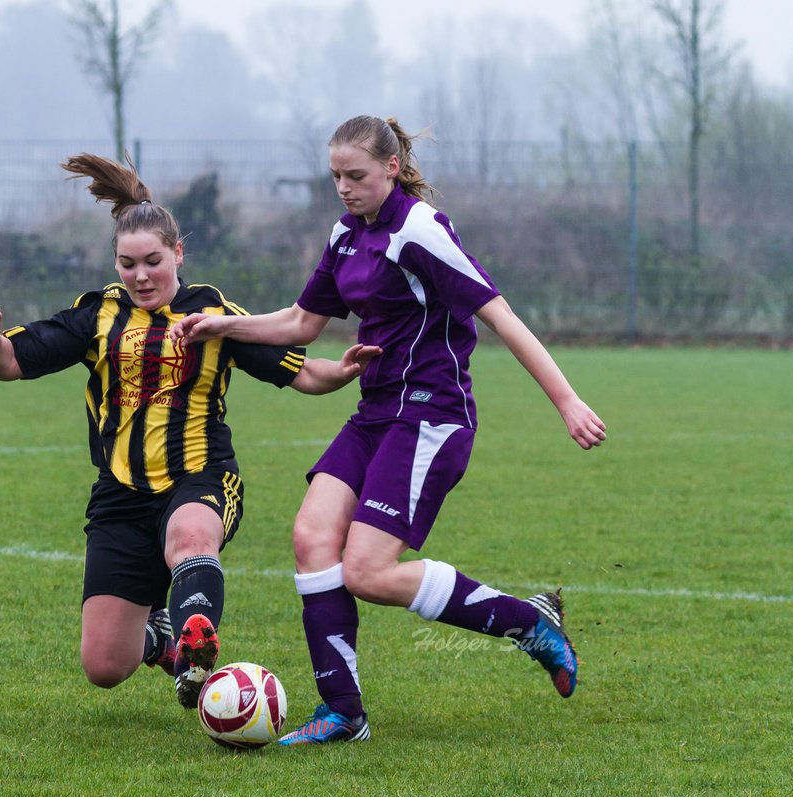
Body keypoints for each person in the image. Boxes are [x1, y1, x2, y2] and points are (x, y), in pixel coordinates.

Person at [171, 115, 607, 745]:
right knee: (310, 537)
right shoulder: (346, 235)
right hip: (376, 412)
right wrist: (221, 324)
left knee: (368, 572)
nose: (344, 189)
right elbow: (299, 323)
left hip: (431, 415)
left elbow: (500, 316)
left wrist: (566, 400)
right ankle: (343, 713)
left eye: (356, 176)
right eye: (335, 177)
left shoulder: (420, 230)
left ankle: (527, 622)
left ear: (392, 170)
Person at [0, 152, 381, 709]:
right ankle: (160, 635)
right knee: (104, 667)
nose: (140, 275)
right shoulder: (97, 316)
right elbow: (9, 363)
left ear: (177, 253)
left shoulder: (212, 314)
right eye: (127, 264)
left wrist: (343, 371)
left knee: (190, 540)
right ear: (115, 264)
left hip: (200, 477)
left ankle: (196, 649)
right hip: (120, 495)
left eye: (152, 261)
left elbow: (300, 372)